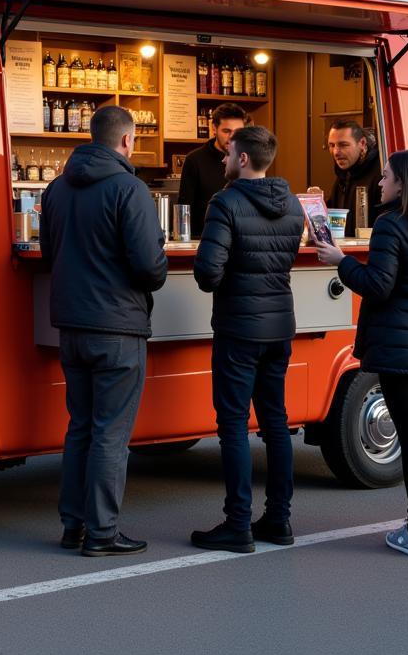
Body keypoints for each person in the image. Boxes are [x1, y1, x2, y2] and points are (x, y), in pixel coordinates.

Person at [316, 150, 408, 558]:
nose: (379, 183)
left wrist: (341, 261)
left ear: (403, 183)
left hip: (399, 349)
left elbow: (378, 285)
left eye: (386, 177)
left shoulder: (390, 226)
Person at [39, 105, 168, 557]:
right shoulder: (129, 189)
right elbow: (150, 269)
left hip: (71, 326)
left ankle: (73, 525)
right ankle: (102, 533)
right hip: (117, 326)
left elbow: (49, 255)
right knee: (111, 432)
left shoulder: (55, 189)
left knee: (81, 428)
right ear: (128, 141)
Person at [190, 125, 304, 553]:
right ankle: (279, 519)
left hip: (239, 327)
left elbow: (207, 273)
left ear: (242, 159)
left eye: (228, 153)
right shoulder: (293, 203)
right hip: (279, 326)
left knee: (233, 424)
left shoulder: (226, 203)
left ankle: (237, 522)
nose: (222, 159)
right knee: (276, 422)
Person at [178, 102, 247, 237]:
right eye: (226, 131)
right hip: (204, 239)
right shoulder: (194, 160)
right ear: (214, 128)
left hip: (241, 240)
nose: (232, 138)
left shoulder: (248, 159)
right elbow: (185, 209)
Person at [327, 120, 382, 235]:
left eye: (343, 145)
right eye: (332, 145)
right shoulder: (343, 175)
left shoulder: (381, 173)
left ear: (362, 143)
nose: (336, 152)